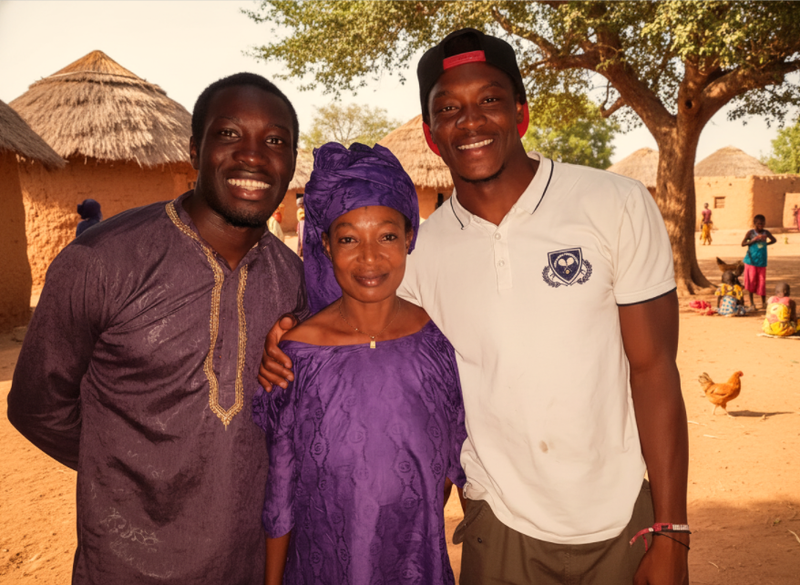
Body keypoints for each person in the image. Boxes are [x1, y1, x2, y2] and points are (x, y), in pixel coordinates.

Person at [262, 28, 690, 585]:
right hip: (500, 526)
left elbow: (655, 368)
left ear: (521, 113)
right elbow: (363, 324)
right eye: (448, 108)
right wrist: (292, 339)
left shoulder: (614, 205)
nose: (470, 121)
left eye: (489, 99)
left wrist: (671, 529)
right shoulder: (419, 254)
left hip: (621, 516)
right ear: (431, 133)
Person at [7, 73, 308, 584]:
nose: (253, 156)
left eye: (275, 141)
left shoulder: (294, 281)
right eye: (229, 134)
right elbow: (38, 406)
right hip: (125, 568)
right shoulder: (100, 262)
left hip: (250, 567)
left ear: (291, 160)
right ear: (194, 150)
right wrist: (130, 473)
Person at [254, 142, 466, 585]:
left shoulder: (435, 342)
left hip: (415, 565)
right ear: (326, 246)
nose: (369, 258)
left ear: (409, 238)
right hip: (325, 567)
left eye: (387, 236)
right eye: (349, 239)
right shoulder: (297, 357)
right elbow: (281, 489)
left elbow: (455, 463)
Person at [741, 214, 777, 310]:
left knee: (762, 282)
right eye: (759, 224)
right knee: (751, 282)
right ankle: (752, 303)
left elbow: (774, 240)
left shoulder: (766, 232)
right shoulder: (750, 233)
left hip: (762, 262)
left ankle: (763, 303)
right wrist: (754, 240)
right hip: (751, 261)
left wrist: (766, 243)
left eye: (763, 224)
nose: (761, 226)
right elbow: (743, 244)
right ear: (755, 224)